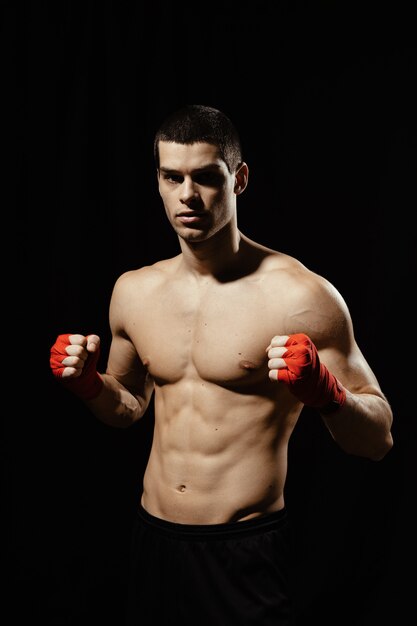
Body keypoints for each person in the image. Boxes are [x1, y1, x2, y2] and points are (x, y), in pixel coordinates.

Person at [49, 104, 394, 626]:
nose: (188, 195)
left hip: (243, 550)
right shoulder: (134, 291)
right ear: (159, 180)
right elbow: (128, 408)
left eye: (207, 177)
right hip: (154, 540)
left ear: (239, 179)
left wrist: (329, 394)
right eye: (173, 177)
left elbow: (378, 440)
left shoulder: (299, 294)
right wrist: (90, 385)